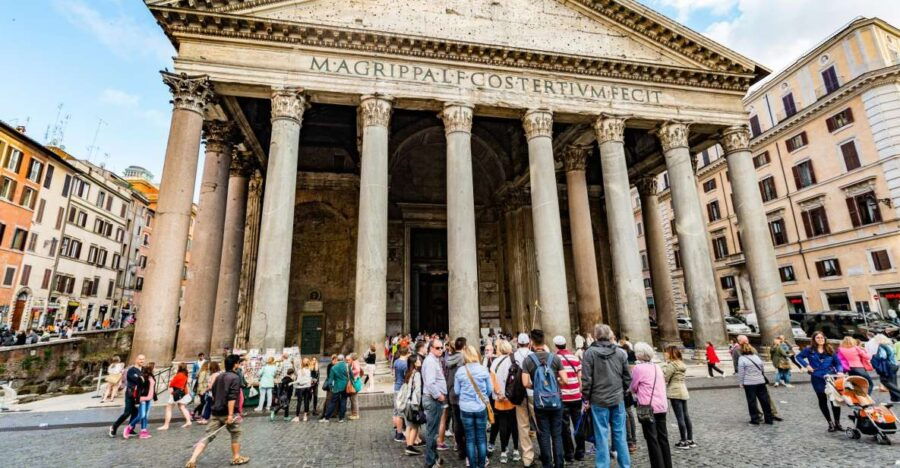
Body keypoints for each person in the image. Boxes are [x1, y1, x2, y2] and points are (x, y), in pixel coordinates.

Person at [185, 354, 249, 468]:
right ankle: (236, 457)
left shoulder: (219, 376)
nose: (239, 365)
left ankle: (192, 459)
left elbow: (214, 393)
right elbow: (232, 397)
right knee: (236, 433)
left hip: (216, 411)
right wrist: (230, 415)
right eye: (238, 363)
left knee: (208, 435)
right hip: (228, 412)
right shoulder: (235, 378)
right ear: (235, 365)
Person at [582, 324, 631, 468]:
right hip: (617, 398)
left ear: (596, 336)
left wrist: (586, 398)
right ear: (610, 335)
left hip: (598, 400)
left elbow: (586, 379)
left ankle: (603, 465)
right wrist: (622, 392)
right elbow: (627, 378)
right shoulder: (621, 353)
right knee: (620, 436)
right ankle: (625, 465)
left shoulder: (589, 353)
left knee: (601, 436)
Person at [521, 329, 565, 468]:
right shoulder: (555, 358)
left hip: (539, 402)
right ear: (544, 341)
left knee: (543, 434)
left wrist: (537, 386)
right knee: (557, 434)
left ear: (532, 343)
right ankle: (559, 463)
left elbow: (525, 383)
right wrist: (555, 382)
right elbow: (565, 380)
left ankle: (547, 464)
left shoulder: (528, 360)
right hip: (556, 401)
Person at [630, 342, 671, 468]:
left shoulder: (638, 368)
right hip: (661, 406)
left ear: (640, 355)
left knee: (652, 439)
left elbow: (633, 387)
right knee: (663, 438)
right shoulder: (657, 367)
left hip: (647, 408)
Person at [796, 331, 844, 432]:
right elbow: (798, 357)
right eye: (818, 338)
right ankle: (830, 423)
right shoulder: (809, 350)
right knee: (822, 400)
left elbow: (838, 363)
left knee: (834, 400)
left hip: (830, 377)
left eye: (822, 337)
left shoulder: (830, 349)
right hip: (817, 377)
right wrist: (807, 366)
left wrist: (840, 371)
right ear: (814, 339)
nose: (820, 339)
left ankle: (837, 423)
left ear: (825, 338)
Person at [454, 345, 493, 468]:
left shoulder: (460, 371)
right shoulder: (483, 369)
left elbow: (456, 391)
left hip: (465, 408)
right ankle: (481, 465)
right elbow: (489, 389)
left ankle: (472, 465)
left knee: (470, 438)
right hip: (480, 407)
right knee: (481, 438)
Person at [554, 335, 585, 462]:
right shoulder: (574, 357)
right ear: (566, 344)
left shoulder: (555, 359)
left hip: (563, 397)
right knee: (578, 424)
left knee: (564, 427)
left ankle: (569, 454)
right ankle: (581, 452)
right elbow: (580, 378)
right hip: (576, 396)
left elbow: (556, 378)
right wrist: (580, 392)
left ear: (556, 346)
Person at [490, 339, 520, 464]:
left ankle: (503, 451)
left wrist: (499, 393)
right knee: (514, 424)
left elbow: (492, 380)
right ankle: (516, 450)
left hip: (499, 398)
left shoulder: (494, 362)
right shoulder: (513, 361)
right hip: (512, 398)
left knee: (502, 425)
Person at [662, 346, 694, 449]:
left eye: (666, 352)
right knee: (686, 416)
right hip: (683, 390)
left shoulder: (672, 365)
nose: (665, 354)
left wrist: (664, 368)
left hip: (675, 392)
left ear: (670, 353)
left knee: (680, 417)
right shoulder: (681, 364)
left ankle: (683, 441)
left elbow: (666, 378)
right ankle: (690, 439)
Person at [422, 338, 448, 468]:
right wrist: (439, 396)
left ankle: (434, 457)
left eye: (441, 347)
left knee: (433, 431)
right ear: (431, 348)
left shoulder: (433, 360)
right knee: (432, 432)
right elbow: (430, 383)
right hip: (433, 400)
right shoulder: (431, 362)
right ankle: (430, 462)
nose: (441, 350)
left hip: (433, 399)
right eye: (438, 348)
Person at [736, 343, 774, 426]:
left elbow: (741, 372)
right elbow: (762, 369)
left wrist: (741, 383)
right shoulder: (756, 357)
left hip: (749, 383)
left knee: (752, 402)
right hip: (760, 381)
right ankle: (769, 419)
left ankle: (755, 420)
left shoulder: (742, 358)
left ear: (741, 350)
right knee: (765, 401)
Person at [512, 333, 535, 466]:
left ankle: (527, 457)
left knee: (523, 425)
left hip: (519, 393)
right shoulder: (533, 355)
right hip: (532, 391)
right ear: (529, 343)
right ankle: (546, 452)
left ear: (518, 343)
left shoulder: (513, 356)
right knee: (540, 423)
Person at [110, 354, 144, 437]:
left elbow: (144, 380)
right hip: (130, 393)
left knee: (135, 413)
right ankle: (114, 427)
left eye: (143, 359)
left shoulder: (143, 369)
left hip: (138, 395)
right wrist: (141, 378)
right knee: (127, 413)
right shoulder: (131, 370)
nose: (142, 361)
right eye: (140, 359)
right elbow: (136, 379)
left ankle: (131, 429)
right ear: (136, 360)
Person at [445, 337, 467, 462]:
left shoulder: (448, 358)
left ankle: (460, 448)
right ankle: (467, 448)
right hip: (462, 393)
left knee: (457, 422)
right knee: (466, 422)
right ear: (464, 347)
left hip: (452, 393)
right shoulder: (464, 359)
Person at [125, 362, 156, 439]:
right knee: (141, 415)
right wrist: (137, 401)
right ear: (151, 368)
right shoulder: (142, 377)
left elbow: (152, 388)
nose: (155, 368)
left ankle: (143, 432)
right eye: (155, 367)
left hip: (149, 398)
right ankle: (129, 427)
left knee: (145, 416)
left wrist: (154, 397)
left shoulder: (152, 377)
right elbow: (138, 390)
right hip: (142, 398)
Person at [160, 363, 193, 430]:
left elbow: (171, 384)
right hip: (183, 393)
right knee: (182, 407)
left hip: (176, 393)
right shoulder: (185, 374)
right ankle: (188, 421)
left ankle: (166, 425)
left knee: (168, 408)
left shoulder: (179, 375)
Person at [402, 354, 424, 456]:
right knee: (415, 426)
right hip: (414, 403)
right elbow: (418, 390)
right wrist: (419, 404)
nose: (420, 361)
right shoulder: (417, 374)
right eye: (418, 360)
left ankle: (408, 445)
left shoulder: (409, 373)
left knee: (409, 425)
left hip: (407, 402)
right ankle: (410, 446)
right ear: (414, 363)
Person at [870, 335, 900, 402]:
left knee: (885, 381)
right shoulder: (889, 345)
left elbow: (883, 356)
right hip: (894, 364)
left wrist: (875, 356)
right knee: (893, 382)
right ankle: (895, 398)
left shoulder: (881, 346)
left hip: (888, 366)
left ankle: (897, 396)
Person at [321, 354, 350, 422]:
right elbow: (351, 376)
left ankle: (327, 418)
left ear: (338, 359)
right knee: (343, 401)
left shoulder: (334, 368)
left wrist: (331, 387)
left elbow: (330, 379)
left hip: (336, 387)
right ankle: (341, 418)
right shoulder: (347, 366)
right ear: (343, 359)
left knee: (332, 402)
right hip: (345, 387)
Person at [393, 346, 411, 442]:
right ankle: (399, 434)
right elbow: (406, 377)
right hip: (402, 388)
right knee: (400, 413)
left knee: (396, 411)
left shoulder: (396, 362)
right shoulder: (405, 364)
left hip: (396, 386)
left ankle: (397, 431)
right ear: (407, 352)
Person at [347, 353, 362, 420]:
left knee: (354, 399)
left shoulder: (355, 362)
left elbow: (357, 370)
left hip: (354, 382)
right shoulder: (355, 362)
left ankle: (355, 414)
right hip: (355, 381)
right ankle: (354, 413)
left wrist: (351, 372)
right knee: (353, 399)